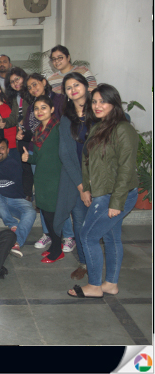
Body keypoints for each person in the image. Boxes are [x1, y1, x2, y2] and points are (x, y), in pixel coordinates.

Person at [67, 84, 138, 298]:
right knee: (111, 238)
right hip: (102, 192)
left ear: (114, 103)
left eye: (103, 101)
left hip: (115, 194)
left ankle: (94, 286)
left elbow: (126, 168)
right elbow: (87, 161)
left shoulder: (124, 129)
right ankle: (111, 284)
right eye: (95, 102)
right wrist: (87, 188)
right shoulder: (99, 126)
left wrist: (116, 202)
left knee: (88, 236)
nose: (97, 106)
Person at [18, 72, 74, 246]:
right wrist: (27, 154)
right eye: (29, 87)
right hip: (39, 160)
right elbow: (30, 132)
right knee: (43, 201)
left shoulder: (59, 108)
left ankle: (68, 236)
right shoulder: (35, 121)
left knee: (58, 203)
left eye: (35, 84)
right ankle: (48, 233)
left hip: (56, 167)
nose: (33, 89)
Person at [54, 73, 92, 280]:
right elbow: (65, 154)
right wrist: (81, 186)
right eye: (68, 88)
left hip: (100, 177)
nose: (73, 90)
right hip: (75, 177)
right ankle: (84, 262)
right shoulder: (66, 119)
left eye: (76, 85)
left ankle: (100, 261)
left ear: (86, 86)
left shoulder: (99, 112)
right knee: (79, 221)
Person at [21, 95, 63, 263]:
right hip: (41, 179)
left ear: (52, 109)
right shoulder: (38, 130)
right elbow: (38, 158)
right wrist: (28, 158)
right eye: (36, 109)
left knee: (53, 217)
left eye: (43, 107)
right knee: (45, 214)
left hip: (55, 179)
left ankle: (58, 249)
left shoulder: (59, 129)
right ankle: (53, 246)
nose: (39, 111)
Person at [4, 67, 33, 200]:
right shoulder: (16, 97)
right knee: (25, 169)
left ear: (24, 77)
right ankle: (28, 196)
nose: (15, 83)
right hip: (21, 138)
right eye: (12, 81)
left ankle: (36, 198)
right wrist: (3, 122)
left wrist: (24, 124)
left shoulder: (31, 94)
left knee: (34, 168)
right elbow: (14, 118)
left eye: (17, 79)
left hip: (33, 137)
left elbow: (35, 116)